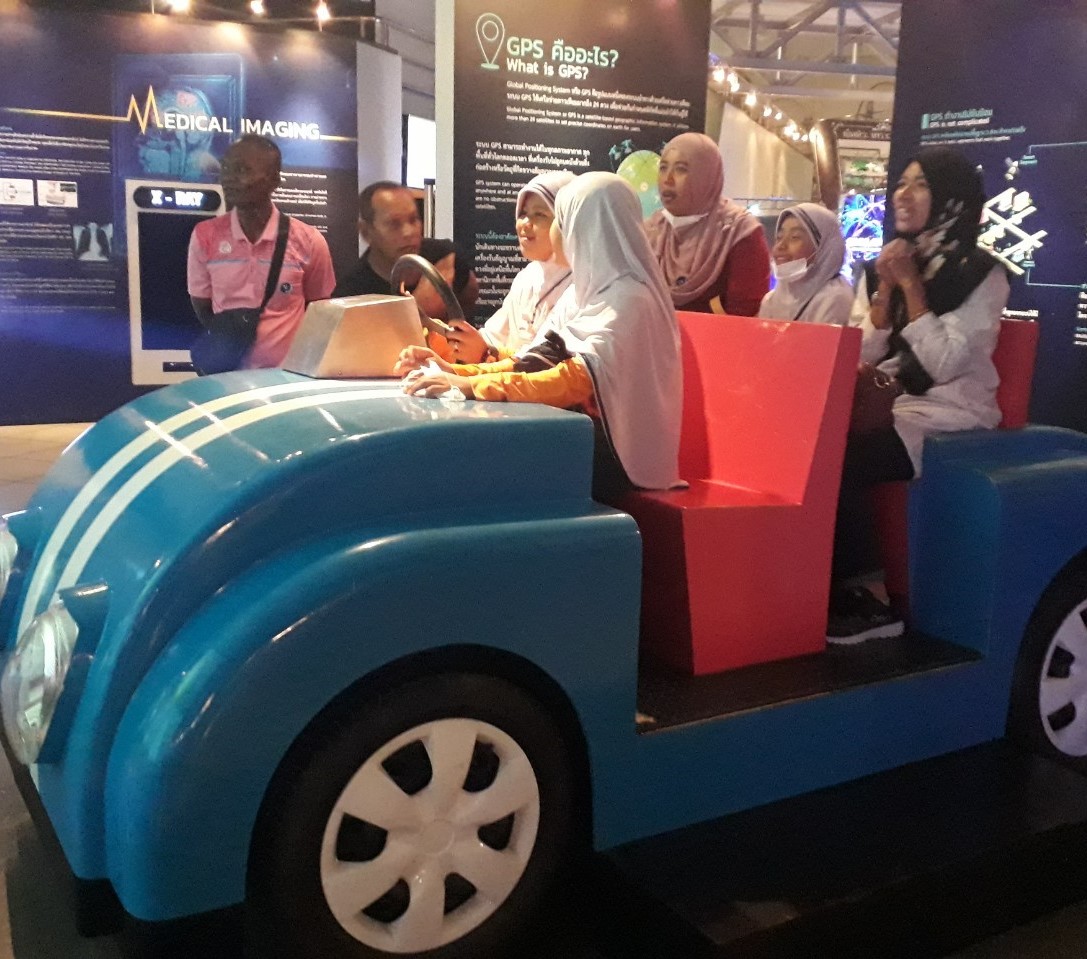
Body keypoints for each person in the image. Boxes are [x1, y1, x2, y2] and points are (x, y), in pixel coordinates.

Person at [399, 171, 682, 497]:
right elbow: (536, 359)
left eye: (561, 218)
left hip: (616, 450)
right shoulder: (586, 290)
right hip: (580, 432)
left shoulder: (630, 298)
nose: (557, 230)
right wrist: (457, 373)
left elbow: (571, 380)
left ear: (590, 226)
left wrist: (469, 386)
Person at [827, 146, 1010, 644]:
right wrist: (885, 290)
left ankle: (869, 600)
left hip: (948, 410)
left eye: (921, 184)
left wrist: (911, 287)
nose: (902, 195)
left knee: (845, 457)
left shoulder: (981, 273)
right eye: (901, 182)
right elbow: (860, 353)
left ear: (952, 198)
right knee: (810, 445)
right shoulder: (879, 267)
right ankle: (809, 583)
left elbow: (943, 363)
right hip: (889, 403)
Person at [187, 134, 336, 369]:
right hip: (227, 376)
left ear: (273, 180)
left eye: (242, 170)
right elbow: (202, 307)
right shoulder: (205, 236)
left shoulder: (308, 241)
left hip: (286, 378)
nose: (228, 178)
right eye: (225, 168)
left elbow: (319, 311)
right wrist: (231, 340)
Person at [402, 170, 575, 366]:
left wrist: (486, 354)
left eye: (540, 215)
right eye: (523, 213)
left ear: (566, 221)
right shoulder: (527, 278)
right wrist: (430, 331)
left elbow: (553, 367)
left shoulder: (582, 285)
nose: (525, 224)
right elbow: (492, 338)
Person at [645, 132, 771, 316]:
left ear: (705, 175)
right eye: (663, 168)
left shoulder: (739, 233)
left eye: (681, 169)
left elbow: (744, 316)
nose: (667, 180)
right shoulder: (653, 229)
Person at [332, 181, 479, 325]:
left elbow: (469, 299)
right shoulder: (351, 294)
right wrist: (418, 312)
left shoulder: (445, 257)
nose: (409, 232)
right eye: (394, 224)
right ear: (366, 232)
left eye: (413, 219)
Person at [758, 202, 852, 325]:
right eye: (779, 237)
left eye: (795, 237)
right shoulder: (771, 300)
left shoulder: (835, 299)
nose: (781, 246)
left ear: (823, 247)